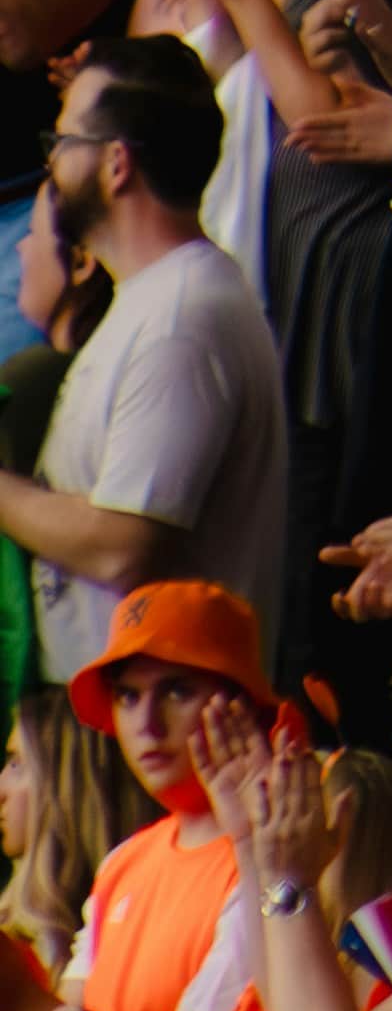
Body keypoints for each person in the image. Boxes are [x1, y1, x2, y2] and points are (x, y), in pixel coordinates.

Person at [0, 42, 286, 680]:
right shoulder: (156, 299)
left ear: (116, 164)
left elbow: (121, 548)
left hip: (158, 723)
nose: (50, 160)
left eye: (64, 139)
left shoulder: (181, 320)